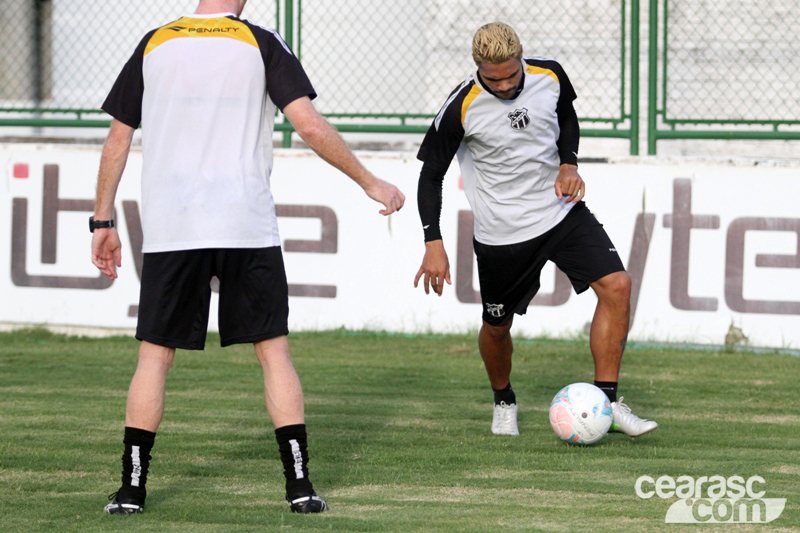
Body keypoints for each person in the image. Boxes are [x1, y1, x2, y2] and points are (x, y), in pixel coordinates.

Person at [91, 0, 404, 516]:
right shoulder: (258, 41)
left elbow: (118, 139)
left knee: (154, 356)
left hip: (174, 227)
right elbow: (310, 126)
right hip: (244, 224)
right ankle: (300, 487)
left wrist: (103, 221)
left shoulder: (155, 42)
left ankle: (130, 492)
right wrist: (370, 181)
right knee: (273, 352)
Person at [414, 22, 656, 438]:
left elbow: (567, 117)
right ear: (478, 68)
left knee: (617, 285)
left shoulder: (550, 75)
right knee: (497, 328)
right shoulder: (460, 106)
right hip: (502, 235)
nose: (506, 85)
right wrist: (432, 241)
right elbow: (430, 175)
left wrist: (569, 163)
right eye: (495, 79)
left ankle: (608, 402)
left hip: (560, 212)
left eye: (512, 74)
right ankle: (503, 399)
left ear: (521, 55)